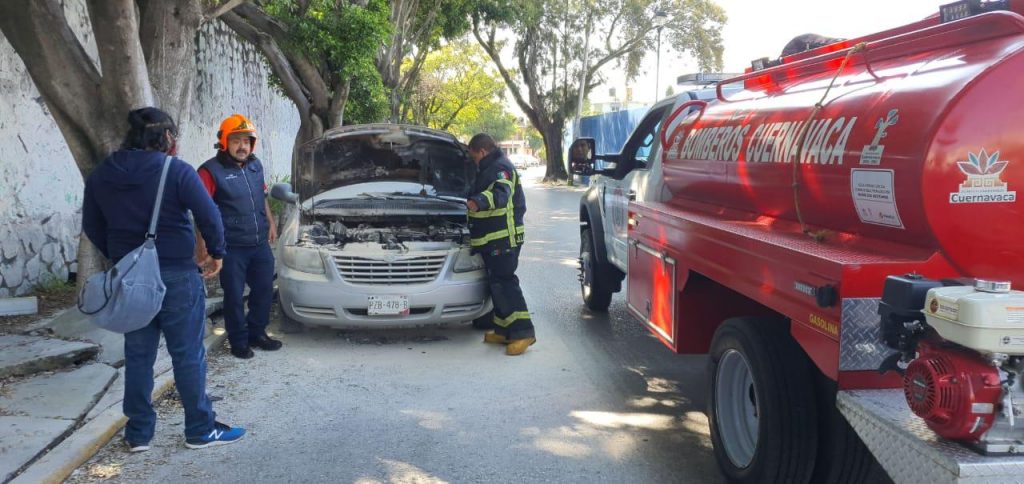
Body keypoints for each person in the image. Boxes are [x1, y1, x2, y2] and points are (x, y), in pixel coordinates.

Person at [82, 107, 245, 451]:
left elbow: (93, 226)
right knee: (187, 354)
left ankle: (139, 433)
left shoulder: (101, 175)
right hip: (176, 275)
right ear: (167, 137)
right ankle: (200, 429)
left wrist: (122, 258)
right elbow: (209, 214)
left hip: (130, 280)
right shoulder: (176, 171)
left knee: (138, 355)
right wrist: (216, 252)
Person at [196, 114, 282, 359]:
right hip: (231, 246)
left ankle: (257, 332)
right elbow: (201, 210)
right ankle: (238, 341)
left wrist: (272, 223)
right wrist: (202, 245)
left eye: (246, 141)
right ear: (224, 142)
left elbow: (261, 197)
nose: (242, 146)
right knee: (233, 296)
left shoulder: (255, 166)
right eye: (236, 141)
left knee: (264, 290)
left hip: (258, 244)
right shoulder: (209, 171)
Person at [465, 133, 536, 356]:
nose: (473, 160)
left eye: (473, 156)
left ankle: (524, 333)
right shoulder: (488, 167)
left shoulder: (500, 167)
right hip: (493, 238)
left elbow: (501, 193)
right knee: (496, 284)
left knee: (506, 283)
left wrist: (478, 202)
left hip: (504, 238)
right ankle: (504, 330)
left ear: (482, 151)